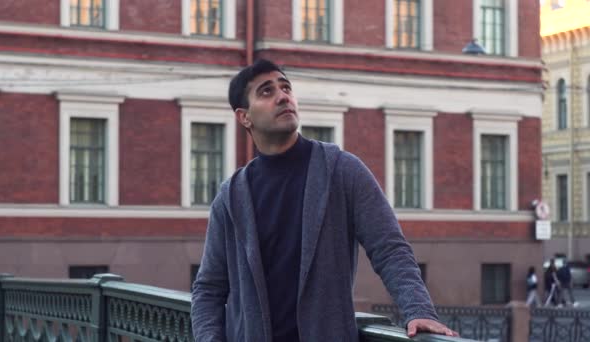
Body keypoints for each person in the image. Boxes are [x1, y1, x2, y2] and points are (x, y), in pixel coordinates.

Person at [191, 59, 458, 341]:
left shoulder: (341, 170)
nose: (283, 96)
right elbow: (209, 288)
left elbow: (389, 248)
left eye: (286, 88)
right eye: (266, 92)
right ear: (244, 117)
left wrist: (419, 309)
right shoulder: (231, 196)